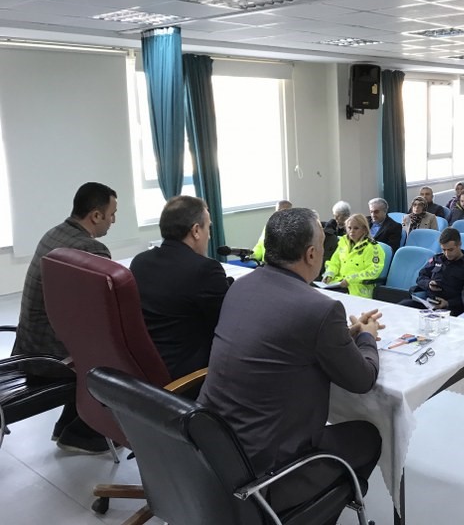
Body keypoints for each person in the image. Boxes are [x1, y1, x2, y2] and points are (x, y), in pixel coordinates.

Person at [197, 208, 383, 516]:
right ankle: (310, 512)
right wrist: (367, 337)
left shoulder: (241, 287)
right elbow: (362, 380)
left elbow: (282, 342)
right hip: (265, 473)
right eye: (324, 244)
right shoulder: (319, 309)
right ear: (312, 254)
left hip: (213, 450)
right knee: (368, 437)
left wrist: (342, 335)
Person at [13, 182, 118, 454]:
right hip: (48, 359)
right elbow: (106, 313)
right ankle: (85, 432)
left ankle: (69, 425)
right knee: (115, 350)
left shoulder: (54, 233)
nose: (113, 221)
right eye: (111, 214)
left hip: (27, 346)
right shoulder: (91, 250)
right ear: (96, 215)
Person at [130, 196, 231, 379]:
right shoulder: (205, 269)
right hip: (190, 378)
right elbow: (228, 324)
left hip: (147, 372)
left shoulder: (140, 262)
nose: (210, 235)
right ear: (196, 231)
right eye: (208, 227)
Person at [404, 227, 464, 314]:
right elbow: (421, 277)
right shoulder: (437, 259)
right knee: (403, 306)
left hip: (451, 309)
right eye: (443, 250)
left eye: (450, 250)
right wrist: (429, 284)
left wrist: (448, 303)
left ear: (459, 244)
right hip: (429, 303)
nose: (447, 254)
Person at [323, 213, 385, 298]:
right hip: (339, 285)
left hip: (359, 289)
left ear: (364, 229)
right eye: (349, 228)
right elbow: (334, 262)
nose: (352, 231)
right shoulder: (343, 243)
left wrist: (350, 279)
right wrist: (329, 274)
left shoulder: (373, 248)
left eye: (356, 228)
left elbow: (373, 271)